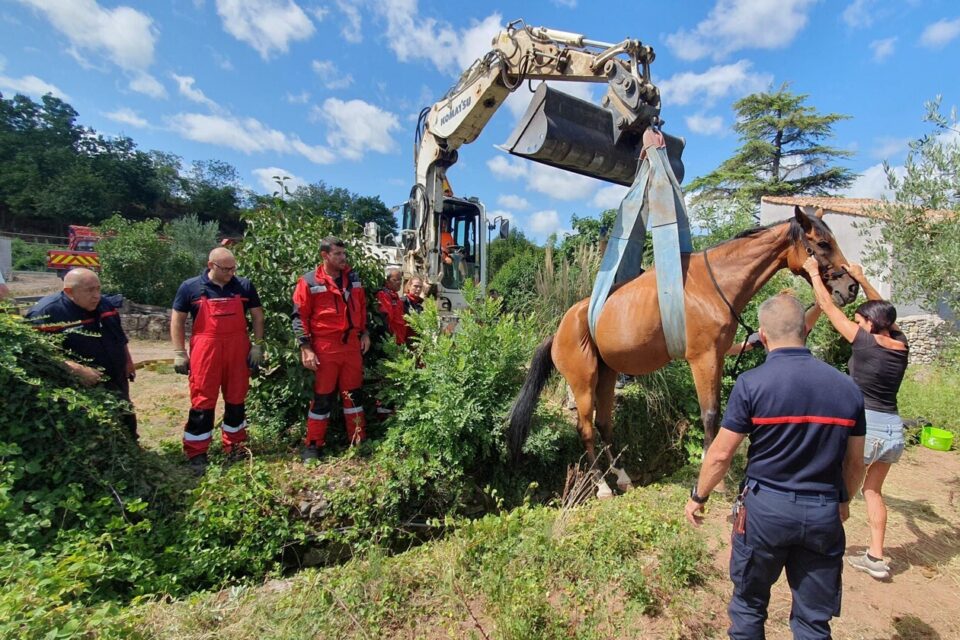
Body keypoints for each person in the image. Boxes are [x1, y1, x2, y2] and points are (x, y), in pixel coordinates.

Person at [685, 294, 866, 640]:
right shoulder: (848, 388)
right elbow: (855, 462)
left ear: (763, 336)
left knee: (749, 606)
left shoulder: (752, 384)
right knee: (814, 621)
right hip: (823, 512)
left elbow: (721, 455)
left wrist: (699, 496)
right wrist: (842, 501)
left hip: (765, 511)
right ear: (804, 330)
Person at [804, 257, 908, 581]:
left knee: (839, 490)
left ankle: (821, 548)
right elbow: (887, 314)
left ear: (870, 326)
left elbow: (826, 305)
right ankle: (876, 557)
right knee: (873, 491)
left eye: (861, 320)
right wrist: (862, 280)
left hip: (867, 428)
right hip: (893, 429)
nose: (858, 323)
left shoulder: (864, 342)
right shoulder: (900, 345)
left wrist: (811, 272)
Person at [171, 247, 264, 473]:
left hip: (237, 348)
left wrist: (258, 345)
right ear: (211, 265)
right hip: (206, 348)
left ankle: (235, 446)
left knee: (236, 397)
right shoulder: (190, 287)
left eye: (234, 268)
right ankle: (197, 452)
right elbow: (177, 319)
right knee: (203, 399)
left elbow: (258, 315)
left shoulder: (244, 286)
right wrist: (179, 352)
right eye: (226, 269)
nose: (231, 273)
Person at [27, 268, 138, 438]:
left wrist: (127, 362)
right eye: (89, 290)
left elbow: (119, 337)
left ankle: (132, 449)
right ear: (69, 292)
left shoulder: (105, 305)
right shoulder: (47, 313)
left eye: (98, 288)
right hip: (79, 385)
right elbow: (38, 354)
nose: (96, 295)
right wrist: (76, 369)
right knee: (94, 428)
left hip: (116, 376)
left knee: (125, 416)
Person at [292, 237, 371, 461]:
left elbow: (362, 308)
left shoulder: (352, 279)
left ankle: (358, 440)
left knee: (353, 396)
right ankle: (313, 446)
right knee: (322, 398)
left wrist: (364, 333)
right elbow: (299, 317)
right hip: (325, 347)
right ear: (325, 256)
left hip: (352, 346)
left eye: (344, 254)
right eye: (338, 254)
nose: (343, 258)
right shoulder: (308, 281)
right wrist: (305, 348)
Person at [376, 267, 409, 345]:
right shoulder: (383, 295)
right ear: (387, 281)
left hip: (399, 340)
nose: (399, 282)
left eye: (400, 279)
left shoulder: (395, 296)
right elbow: (386, 320)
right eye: (395, 280)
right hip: (391, 342)